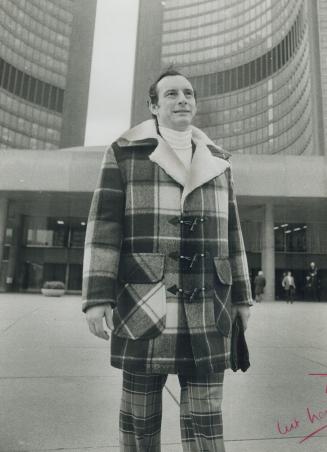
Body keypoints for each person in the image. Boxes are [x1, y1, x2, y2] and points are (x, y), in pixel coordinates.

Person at [82, 69, 253, 452]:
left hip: (211, 302)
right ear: (154, 105)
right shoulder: (124, 153)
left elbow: (234, 233)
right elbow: (104, 225)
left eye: (188, 93)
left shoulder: (219, 159)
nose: (182, 99)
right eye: (172, 93)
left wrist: (242, 297)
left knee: (206, 413)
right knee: (139, 415)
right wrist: (97, 297)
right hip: (145, 300)